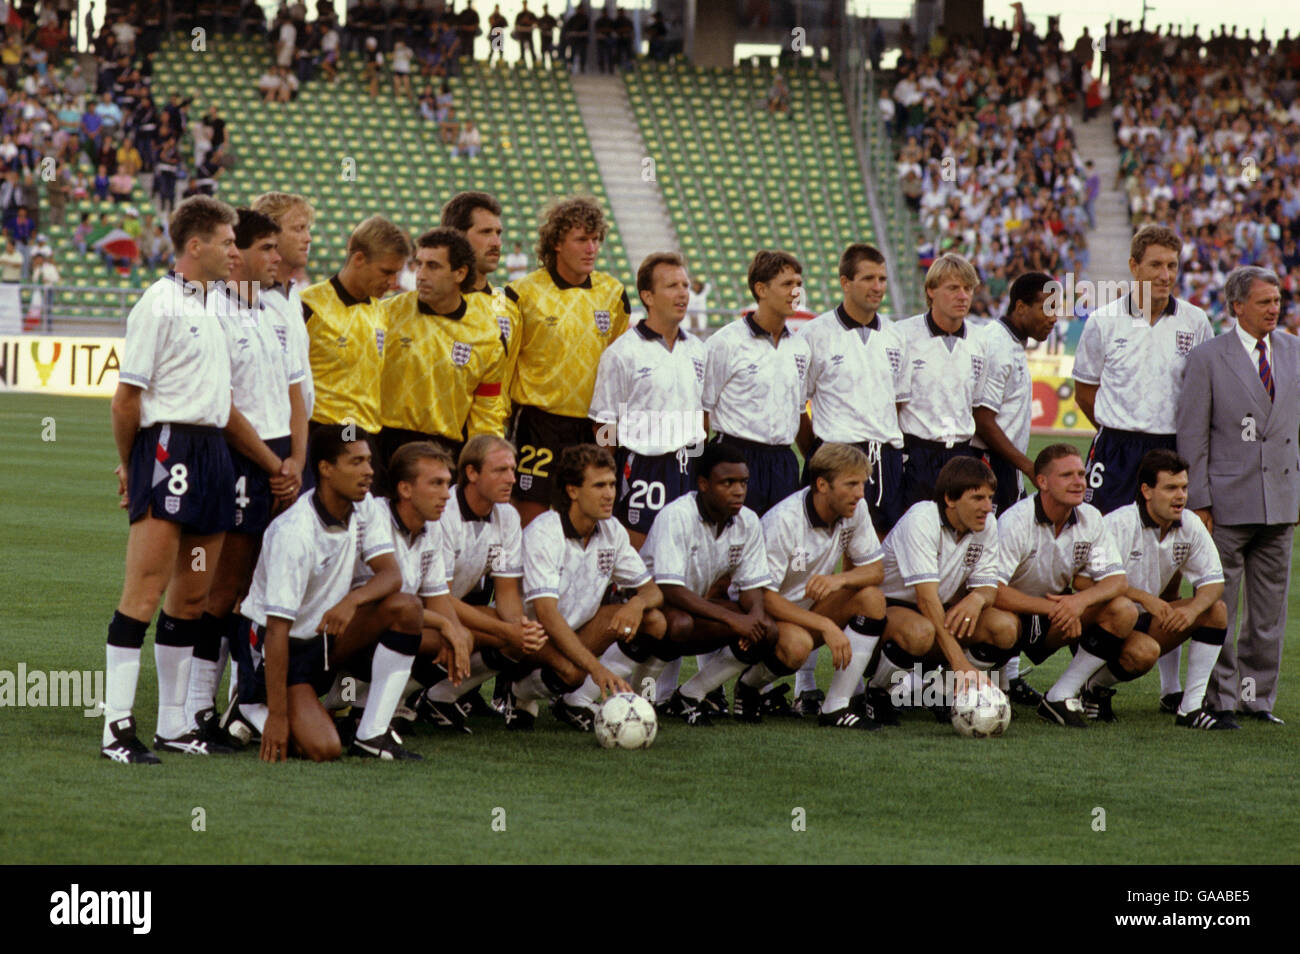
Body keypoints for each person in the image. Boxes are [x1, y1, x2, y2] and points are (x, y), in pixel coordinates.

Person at [101, 196, 280, 763]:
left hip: (213, 457)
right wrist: (134, 467)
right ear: (195, 245)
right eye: (228, 242)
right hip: (170, 450)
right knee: (145, 592)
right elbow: (126, 399)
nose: (235, 252)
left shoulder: (212, 306)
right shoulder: (159, 304)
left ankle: (175, 726)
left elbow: (223, 404)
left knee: (192, 596)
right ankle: (115, 729)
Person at [237, 427, 425, 760]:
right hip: (281, 648)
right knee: (324, 749)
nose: (368, 471)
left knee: (407, 608)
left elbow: (392, 575)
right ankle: (251, 707)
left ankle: (372, 735)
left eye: (368, 461)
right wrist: (278, 720)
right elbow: (277, 631)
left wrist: (352, 601)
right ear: (325, 469)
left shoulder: (363, 505)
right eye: (356, 462)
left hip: (325, 638)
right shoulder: (294, 532)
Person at [191, 210, 307, 742]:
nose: (276, 257)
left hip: (283, 462)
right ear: (236, 253)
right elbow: (226, 406)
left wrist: (296, 463)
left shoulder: (275, 311)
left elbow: (295, 393)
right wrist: (271, 463)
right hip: (245, 459)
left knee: (261, 587)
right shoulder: (215, 312)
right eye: (265, 248)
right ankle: (196, 710)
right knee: (224, 588)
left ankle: (243, 700)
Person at [1177, 266, 1298, 726]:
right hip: (1225, 503)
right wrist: (1200, 501)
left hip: (1280, 500)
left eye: (1277, 300)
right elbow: (1193, 436)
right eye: (1265, 302)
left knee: (1269, 615)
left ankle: (1255, 699)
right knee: (1218, 605)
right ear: (1236, 307)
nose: (1275, 309)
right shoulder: (1208, 357)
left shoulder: (1293, 350)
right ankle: (1219, 699)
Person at [506, 444, 667, 730]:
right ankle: (517, 695)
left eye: (612, 485)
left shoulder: (612, 529)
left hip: (573, 632)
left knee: (654, 622)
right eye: (599, 486)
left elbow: (653, 592)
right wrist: (596, 669)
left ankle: (577, 701)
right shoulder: (545, 532)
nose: (609, 494)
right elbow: (546, 614)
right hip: (529, 637)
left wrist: (636, 604)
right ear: (572, 491)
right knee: (571, 672)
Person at [404, 435, 552, 730]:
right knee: (459, 636)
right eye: (500, 470)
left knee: (519, 633)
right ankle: (373, 702)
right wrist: (504, 630)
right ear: (472, 473)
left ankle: (441, 698)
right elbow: (437, 596)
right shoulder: (442, 513)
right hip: (414, 607)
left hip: (446, 605)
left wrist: (517, 630)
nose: (511, 479)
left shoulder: (507, 516)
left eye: (513, 470)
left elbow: (507, 590)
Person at [504, 196, 630, 526]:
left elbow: (618, 371)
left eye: (596, 240)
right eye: (581, 240)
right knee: (531, 521)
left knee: (587, 520)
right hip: (539, 424)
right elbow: (503, 367)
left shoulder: (613, 294)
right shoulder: (522, 293)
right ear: (557, 243)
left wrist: (610, 436)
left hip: (592, 425)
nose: (591, 248)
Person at [992, 444, 1138, 726]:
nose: (1078, 482)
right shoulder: (1015, 521)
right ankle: (955, 688)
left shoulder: (1090, 518)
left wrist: (1079, 602)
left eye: (1082, 474)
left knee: (1124, 610)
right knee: (1002, 627)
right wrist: (1057, 607)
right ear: (1042, 482)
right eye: (1067, 475)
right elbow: (993, 591)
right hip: (1011, 611)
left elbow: (1116, 581)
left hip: (1058, 611)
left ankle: (1060, 695)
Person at [1073, 225, 1212, 515]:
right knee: (1103, 533)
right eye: (1156, 265)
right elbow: (1085, 393)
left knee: (1164, 539)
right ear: (1134, 267)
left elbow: (1204, 395)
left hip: (1170, 446)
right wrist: (1116, 430)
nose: (1165, 275)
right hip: (1115, 447)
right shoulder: (1103, 321)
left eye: (1172, 265)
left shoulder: (1196, 322)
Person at [868, 457, 1018, 726]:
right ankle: (877, 692)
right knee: (920, 631)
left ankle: (943, 693)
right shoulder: (921, 519)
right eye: (977, 498)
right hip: (889, 610)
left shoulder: (987, 524)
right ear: (950, 499)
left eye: (989, 497)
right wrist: (960, 662)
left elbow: (989, 588)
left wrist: (977, 598)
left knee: (1004, 627)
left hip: (936, 608)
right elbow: (925, 599)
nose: (987, 507)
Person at [640, 441, 777, 727]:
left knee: (766, 629)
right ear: (703, 484)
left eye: (743, 482)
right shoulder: (676, 516)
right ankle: (640, 699)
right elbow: (670, 590)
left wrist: (753, 618)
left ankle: (690, 695)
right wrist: (732, 619)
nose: (738, 490)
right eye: (728, 482)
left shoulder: (748, 521)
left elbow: (751, 588)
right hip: (646, 612)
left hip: (693, 610)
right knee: (678, 624)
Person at [755, 443, 888, 728]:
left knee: (872, 599)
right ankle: (750, 688)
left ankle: (836, 706)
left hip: (807, 611)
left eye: (862, 483)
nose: (860, 493)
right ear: (822, 484)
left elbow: (876, 571)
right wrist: (826, 625)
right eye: (851, 484)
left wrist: (839, 579)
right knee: (798, 645)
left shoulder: (856, 508)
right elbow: (763, 598)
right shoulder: (783, 521)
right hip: (765, 618)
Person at [1098, 450, 1229, 728]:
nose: (1180, 496)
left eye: (1183, 487)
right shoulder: (1119, 523)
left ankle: (1190, 709)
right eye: (1170, 488)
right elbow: (1089, 583)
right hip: (1103, 624)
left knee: (1214, 610)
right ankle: (1089, 686)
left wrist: (1192, 610)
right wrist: (1145, 598)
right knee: (1142, 652)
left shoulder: (1190, 523)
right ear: (1146, 491)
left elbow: (1214, 581)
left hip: (1143, 621)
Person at [589, 252, 706, 547]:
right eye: (671, 286)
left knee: (681, 557)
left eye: (685, 285)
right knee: (639, 561)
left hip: (687, 466)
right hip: (642, 467)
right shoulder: (622, 353)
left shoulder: (697, 350)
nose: (682, 293)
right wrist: (609, 476)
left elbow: (704, 414)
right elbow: (604, 425)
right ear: (648, 296)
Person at [797, 243, 907, 537]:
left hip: (885, 458)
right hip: (835, 454)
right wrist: (821, 451)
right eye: (869, 278)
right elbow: (797, 406)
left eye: (882, 279)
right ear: (845, 283)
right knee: (819, 543)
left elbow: (897, 403)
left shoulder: (896, 336)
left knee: (878, 552)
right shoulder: (814, 334)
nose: (878, 286)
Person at [378, 227, 512, 465]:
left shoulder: (487, 335)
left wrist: (486, 463)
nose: (420, 274)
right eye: (418, 264)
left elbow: (487, 413)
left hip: (446, 453)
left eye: (433, 266)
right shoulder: (387, 314)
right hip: (385, 444)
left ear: (460, 273)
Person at [300, 215, 411, 494]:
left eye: (397, 273)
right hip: (322, 435)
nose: (393, 282)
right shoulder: (308, 306)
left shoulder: (380, 310)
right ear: (359, 259)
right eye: (386, 272)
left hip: (368, 436)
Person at [703, 249, 811, 516]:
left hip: (784, 464)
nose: (795, 292)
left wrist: (814, 458)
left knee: (779, 551)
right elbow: (701, 412)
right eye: (787, 284)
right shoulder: (725, 343)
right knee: (732, 548)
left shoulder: (800, 348)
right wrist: (698, 467)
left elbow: (798, 412)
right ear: (761, 289)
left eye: (798, 284)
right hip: (736, 458)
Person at [891, 253, 986, 508]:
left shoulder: (981, 341)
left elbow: (975, 406)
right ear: (931, 291)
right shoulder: (902, 335)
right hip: (916, 455)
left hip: (962, 455)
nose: (963, 296)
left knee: (957, 539)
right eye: (953, 288)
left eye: (968, 288)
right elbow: (892, 405)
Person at [973, 271, 1057, 516]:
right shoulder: (997, 344)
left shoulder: (1012, 342)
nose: (1053, 318)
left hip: (1005, 467)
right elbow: (983, 420)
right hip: (989, 465)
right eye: (1046, 308)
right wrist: (1029, 467)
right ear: (1021, 307)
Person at [253, 191, 316, 443]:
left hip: (294, 435)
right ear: (271, 235)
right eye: (299, 229)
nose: (308, 238)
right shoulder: (247, 299)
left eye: (307, 229)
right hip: (261, 438)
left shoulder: (293, 296)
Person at [440, 190, 502, 295]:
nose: (497, 243)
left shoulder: (506, 306)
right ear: (457, 236)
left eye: (498, 233)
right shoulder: (425, 306)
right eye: (486, 232)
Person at [513, 2, 536, 67]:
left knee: (532, 49)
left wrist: (530, 28)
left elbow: (535, 24)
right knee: (522, 50)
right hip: (522, 34)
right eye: (524, 4)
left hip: (529, 34)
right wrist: (523, 28)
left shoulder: (531, 14)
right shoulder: (520, 15)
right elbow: (516, 26)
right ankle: (522, 65)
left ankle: (534, 64)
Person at [537, 3, 557, 68]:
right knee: (543, 55)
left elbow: (555, 26)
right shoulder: (541, 19)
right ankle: (543, 68)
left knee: (551, 55)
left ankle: (553, 69)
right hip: (543, 40)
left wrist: (548, 31)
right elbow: (538, 27)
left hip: (549, 40)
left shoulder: (551, 18)